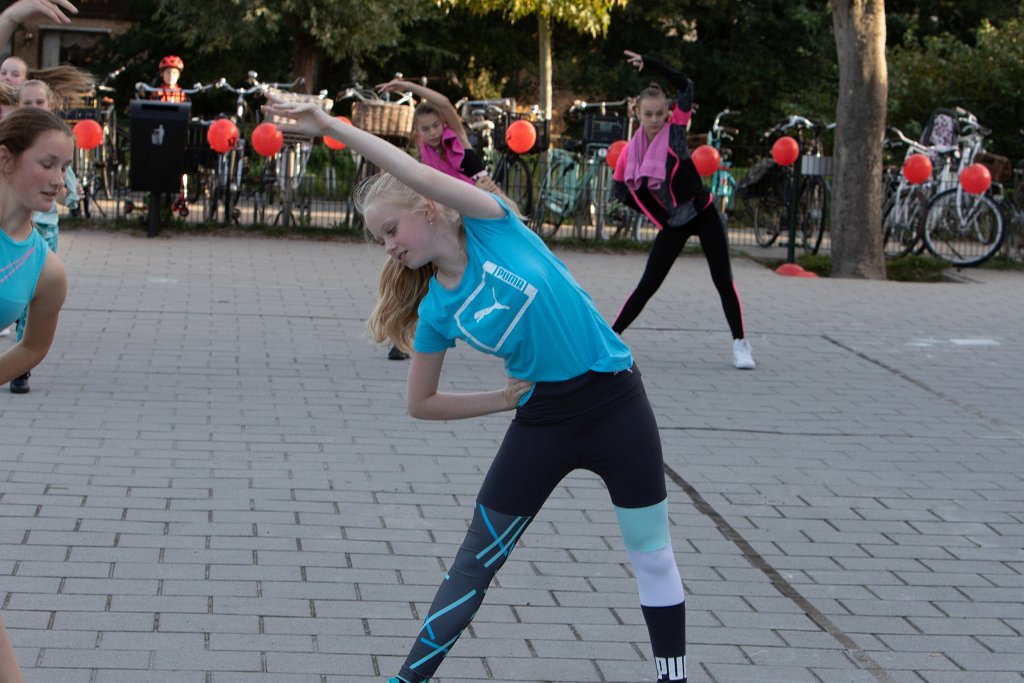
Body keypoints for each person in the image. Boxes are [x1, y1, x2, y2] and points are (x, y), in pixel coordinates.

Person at [263, 96, 690, 683]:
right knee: (474, 563)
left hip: (618, 404)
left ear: (430, 208)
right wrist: (503, 400)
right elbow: (420, 404)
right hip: (543, 421)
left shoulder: (493, 223)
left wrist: (332, 126)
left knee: (653, 556)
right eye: (380, 240)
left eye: (391, 229)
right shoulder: (437, 308)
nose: (388, 245)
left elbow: (410, 169)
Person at [612, 50, 755, 370]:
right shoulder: (629, 154)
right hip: (672, 222)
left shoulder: (675, 131)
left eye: (658, 114)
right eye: (647, 114)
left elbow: (685, 84)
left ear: (667, 114)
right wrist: (659, 218)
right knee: (648, 284)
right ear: (637, 112)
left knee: (723, 280)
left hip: (702, 212)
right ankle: (610, 338)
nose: (652, 120)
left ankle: (740, 343)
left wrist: (650, 63)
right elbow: (620, 190)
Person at [375, 79, 504, 362]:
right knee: (417, 277)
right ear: (417, 132)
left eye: (436, 125)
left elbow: (444, 103)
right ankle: (403, 335)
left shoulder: (458, 140)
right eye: (425, 129)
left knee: (496, 274)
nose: (433, 132)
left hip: (477, 220)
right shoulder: (424, 159)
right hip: (444, 227)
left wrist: (406, 86)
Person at [7, 79, 79, 393]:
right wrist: (7, 25)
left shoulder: (48, 272)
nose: (58, 181)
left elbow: (32, 348)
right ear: (6, 159)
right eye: (47, 164)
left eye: (64, 168)